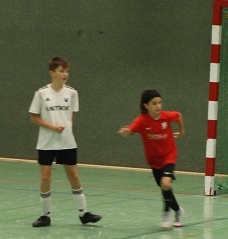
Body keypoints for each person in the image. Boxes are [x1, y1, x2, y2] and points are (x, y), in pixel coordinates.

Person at [28, 57, 102, 227]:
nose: (65, 74)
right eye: (61, 71)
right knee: (45, 177)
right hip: (46, 142)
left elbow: (72, 115)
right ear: (52, 73)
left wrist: (66, 128)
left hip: (67, 142)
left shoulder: (72, 93)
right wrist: (52, 127)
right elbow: (34, 117)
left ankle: (83, 213)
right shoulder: (41, 93)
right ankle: (45, 216)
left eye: (67, 71)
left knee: (74, 176)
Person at [119, 89, 185, 229]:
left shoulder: (166, 116)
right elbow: (132, 129)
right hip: (154, 160)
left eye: (160, 102)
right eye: (154, 103)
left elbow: (178, 115)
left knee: (165, 183)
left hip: (169, 155)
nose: (158, 106)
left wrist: (181, 131)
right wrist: (127, 132)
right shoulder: (142, 121)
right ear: (146, 105)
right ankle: (176, 210)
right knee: (164, 187)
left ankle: (171, 213)